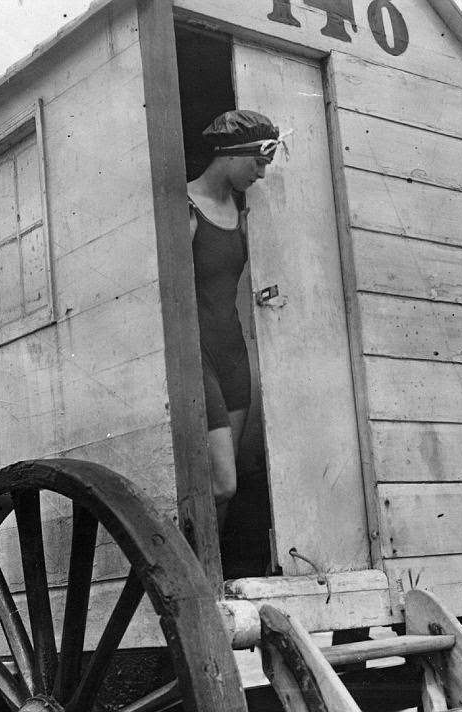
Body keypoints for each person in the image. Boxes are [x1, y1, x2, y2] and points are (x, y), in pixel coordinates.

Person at [187, 109, 286, 530]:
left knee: (229, 491)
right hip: (200, 359)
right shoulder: (186, 208)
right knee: (222, 484)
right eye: (258, 163)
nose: (261, 175)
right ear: (230, 154)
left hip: (234, 359)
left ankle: (217, 582)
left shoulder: (246, 211)